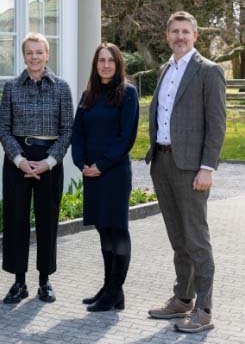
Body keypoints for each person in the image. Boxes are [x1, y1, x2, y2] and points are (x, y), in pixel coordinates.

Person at [145, 11, 226, 333]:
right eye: (174, 31)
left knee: (196, 239)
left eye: (185, 32)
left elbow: (217, 124)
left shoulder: (208, 71)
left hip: (192, 167)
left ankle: (204, 309)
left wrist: (207, 167)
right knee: (178, 238)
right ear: (167, 36)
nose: (180, 36)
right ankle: (183, 298)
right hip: (163, 162)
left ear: (195, 37)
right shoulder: (166, 69)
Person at [0, 32, 73, 305]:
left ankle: (45, 281)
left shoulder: (62, 88)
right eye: (29, 52)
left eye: (39, 52)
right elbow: (3, 128)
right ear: (23, 55)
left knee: (47, 220)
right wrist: (19, 160)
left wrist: (49, 161)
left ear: (47, 54)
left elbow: (67, 130)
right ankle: (19, 282)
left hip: (49, 161)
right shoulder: (12, 87)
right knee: (16, 221)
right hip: (18, 160)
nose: (34, 57)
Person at [71, 43, 139, 312]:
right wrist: (82, 163)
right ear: (95, 64)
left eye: (111, 60)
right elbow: (77, 133)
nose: (106, 65)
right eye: (101, 60)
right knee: (103, 229)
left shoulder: (128, 93)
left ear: (118, 63)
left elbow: (126, 137)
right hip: (92, 174)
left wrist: (102, 164)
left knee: (117, 230)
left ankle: (114, 289)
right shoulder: (89, 95)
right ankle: (110, 289)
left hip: (114, 173)